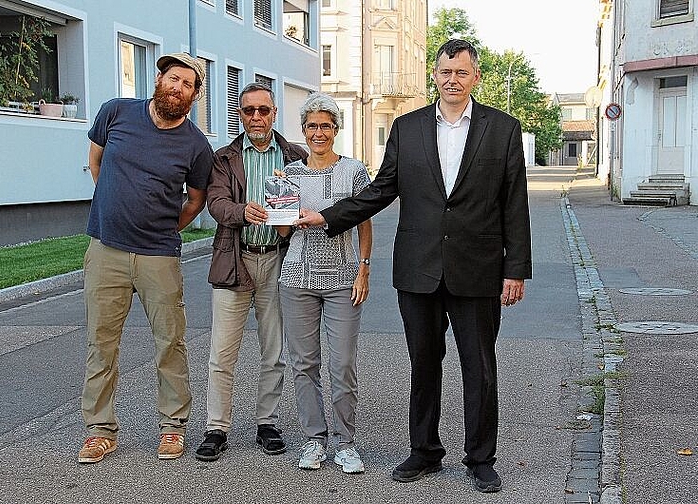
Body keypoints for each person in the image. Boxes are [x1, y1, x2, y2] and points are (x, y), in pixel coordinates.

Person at [294, 39, 532, 492]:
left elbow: (513, 204)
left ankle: (481, 458)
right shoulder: (407, 128)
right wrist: (329, 216)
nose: (452, 80)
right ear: (435, 75)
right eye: (445, 72)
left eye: (462, 73)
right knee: (424, 363)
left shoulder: (502, 129)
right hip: (418, 270)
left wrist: (514, 269)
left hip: (478, 270)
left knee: (478, 366)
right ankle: (424, 451)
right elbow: (380, 190)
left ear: (475, 77)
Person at [77, 52, 213, 463]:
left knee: (170, 341)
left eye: (187, 84)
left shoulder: (196, 144)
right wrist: (113, 207)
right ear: (159, 79)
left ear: (194, 94)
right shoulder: (116, 112)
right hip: (106, 249)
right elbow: (96, 161)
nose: (178, 87)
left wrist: (168, 228)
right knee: (101, 344)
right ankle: (100, 431)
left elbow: (196, 200)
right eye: (173, 78)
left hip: (159, 255)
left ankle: (173, 427)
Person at [196, 83, 307, 461]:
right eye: (248, 111)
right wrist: (241, 212)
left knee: (273, 350)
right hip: (235, 258)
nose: (256, 117)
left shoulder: (296, 155)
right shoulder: (224, 157)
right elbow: (216, 202)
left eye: (263, 110)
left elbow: (308, 203)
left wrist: (293, 222)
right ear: (239, 115)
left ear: (275, 113)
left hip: (279, 258)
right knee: (222, 352)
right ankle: (216, 428)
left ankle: (267, 423)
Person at [274, 93, 372, 474]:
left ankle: (345, 443)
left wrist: (364, 267)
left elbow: (365, 221)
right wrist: (280, 206)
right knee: (303, 363)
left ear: (336, 129)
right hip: (296, 277)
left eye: (326, 125)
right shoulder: (290, 173)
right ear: (303, 131)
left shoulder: (354, 171)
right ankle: (314, 440)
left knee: (343, 363)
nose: (319, 132)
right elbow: (282, 231)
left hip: (344, 278)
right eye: (312, 126)